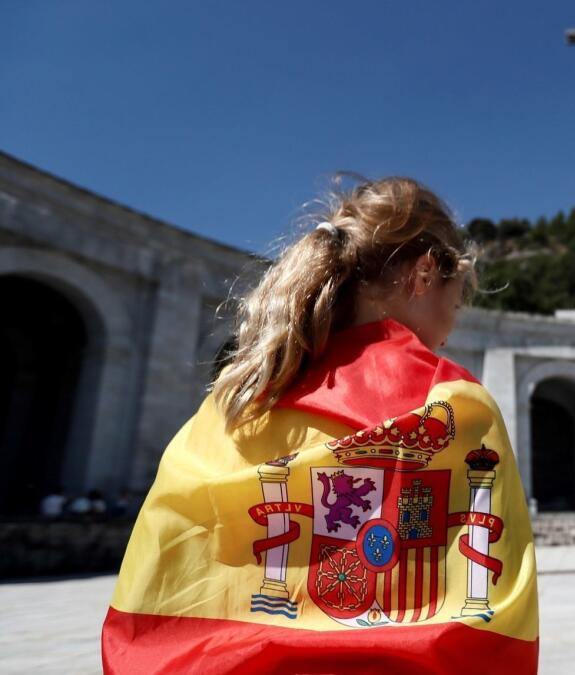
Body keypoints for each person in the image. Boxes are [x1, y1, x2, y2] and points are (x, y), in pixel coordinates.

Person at [101, 177, 539, 674]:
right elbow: (491, 612)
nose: (450, 329)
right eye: (455, 303)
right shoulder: (454, 405)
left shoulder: (236, 401)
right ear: (423, 275)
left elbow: (157, 589)